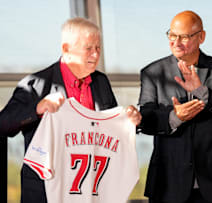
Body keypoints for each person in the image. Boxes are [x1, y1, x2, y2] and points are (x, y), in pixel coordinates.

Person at [0, 17, 141, 203]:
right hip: (47, 190)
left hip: (91, 188)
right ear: (66, 49)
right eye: (88, 48)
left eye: (98, 48)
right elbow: (3, 124)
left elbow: (111, 127)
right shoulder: (35, 84)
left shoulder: (101, 82)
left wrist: (131, 121)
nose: (95, 54)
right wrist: (37, 108)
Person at [138, 10, 212, 203]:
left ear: (201, 37)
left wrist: (203, 92)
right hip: (167, 185)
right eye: (172, 35)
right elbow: (145, 121)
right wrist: (175, 117)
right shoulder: (152, 73)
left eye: (184, 37)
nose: (176, 42)